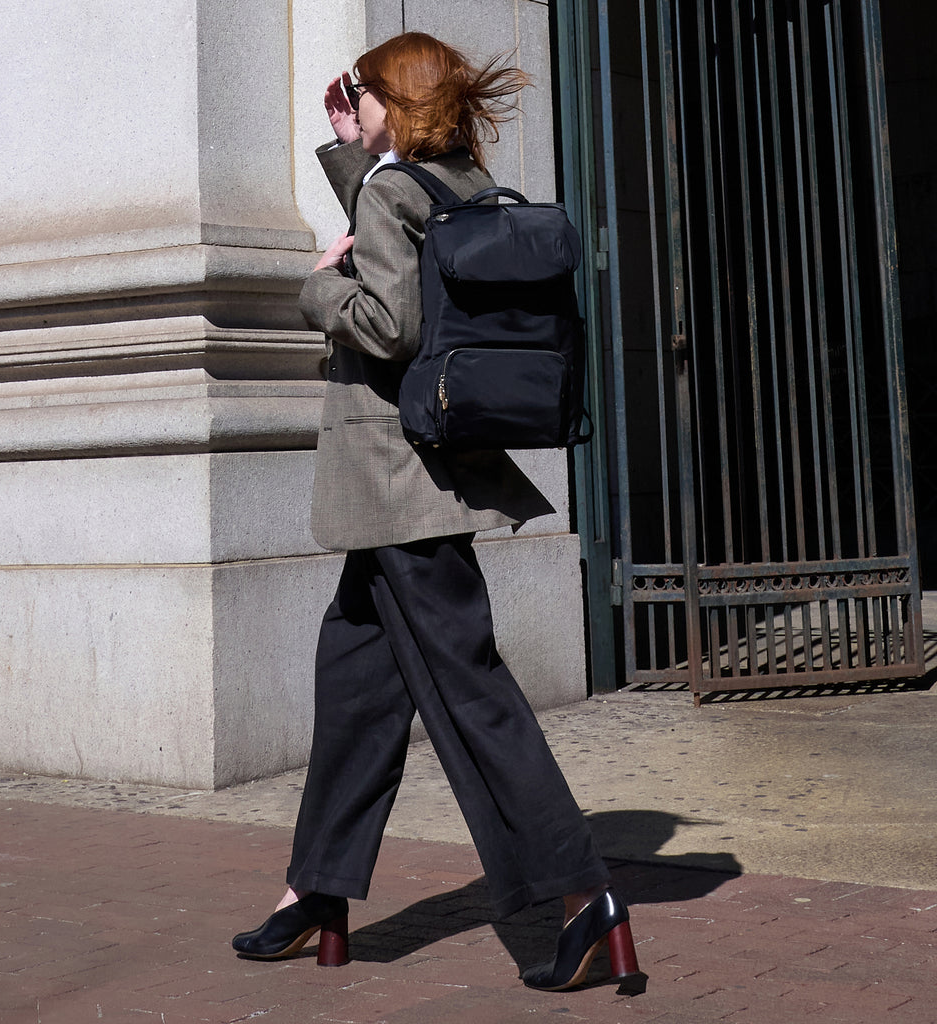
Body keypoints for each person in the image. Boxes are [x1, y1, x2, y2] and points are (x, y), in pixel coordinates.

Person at [231, 31, 647, 995]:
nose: (357, 105)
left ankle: (585, 896)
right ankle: (318, 895)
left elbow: (388, 319)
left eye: (365, 95)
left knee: (473, 695)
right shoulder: (454, 182)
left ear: (394, 100)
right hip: (427, 478)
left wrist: (316, 283)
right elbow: (407, 239)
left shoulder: (392, 192)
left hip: (392, 487)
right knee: (355, 690)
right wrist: (350, 154)